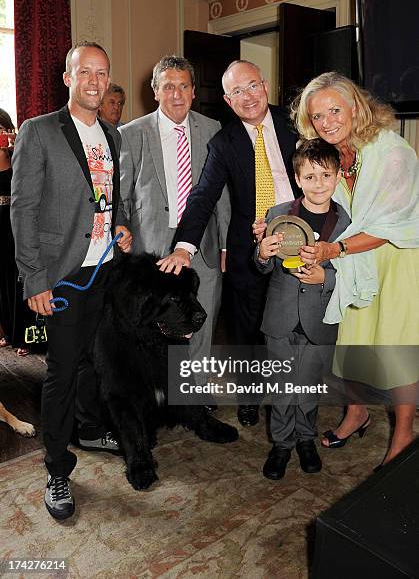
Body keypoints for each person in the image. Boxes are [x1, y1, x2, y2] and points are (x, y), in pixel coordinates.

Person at [11, 42, 132, 520]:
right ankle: (57, 468)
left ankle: (86, 428)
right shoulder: (38, 132)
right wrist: (34, 279)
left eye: (102, 73)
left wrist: (122, 227)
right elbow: (22, 211)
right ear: (68, 78)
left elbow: (110, 202)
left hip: (104, 269)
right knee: (61, 371)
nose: (95, 82)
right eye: (86, 72)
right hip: (61, 275)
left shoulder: (113, 136)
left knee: (93, 361)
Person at [158, 60, 300, 427]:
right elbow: (203, 196)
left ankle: (298, 401)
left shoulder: (296, 122)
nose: (248, 97)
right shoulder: (223, 143)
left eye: (252, 86)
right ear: (227, 99)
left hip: (301, 240)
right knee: (247, 330)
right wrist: (184, 247)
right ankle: (250, 397)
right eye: (237, 91)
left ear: (265, 86)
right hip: (248, 251)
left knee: (297, 328)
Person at [291, 71, 419, 468]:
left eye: (334, 110)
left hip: (397, 258)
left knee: (396, 350)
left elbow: (391, 226)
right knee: (352, 343)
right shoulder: (329, 154)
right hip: (351, 260)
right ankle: (357, 411)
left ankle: (404, 432)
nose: (327, 121)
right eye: (317, 116)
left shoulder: (393, 151)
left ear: (355, 108)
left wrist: (335, 249)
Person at [119, 55, 230, 398]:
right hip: (152, 246)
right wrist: (122, 228)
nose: (177, 94)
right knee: (155, 320)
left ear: (194, 91)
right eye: (169, 87)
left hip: (204, 244)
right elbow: (120, 197)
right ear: (155, 91)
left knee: (203, 316)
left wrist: (225, 244)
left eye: (184, 86)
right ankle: (159, 389)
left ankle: (195, 390)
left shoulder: (213, 130)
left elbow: (223, 195)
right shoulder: (131, 134)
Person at [255, 139, 350, 479]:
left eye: (326, 175)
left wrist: (325, 278)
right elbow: (262, 267)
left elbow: (355, 272)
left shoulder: (348, 224)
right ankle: (281, 444)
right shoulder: (278, 214)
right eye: (310, 177)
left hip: (319, 319)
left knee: (309, 386)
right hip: (280, 318)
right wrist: (263, 253)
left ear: (337, 176)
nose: (319, 183)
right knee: (282, 387)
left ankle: (306, 439)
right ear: (298, 178)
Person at [0, 109, 32, 356]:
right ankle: (9, 334)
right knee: (2, 280)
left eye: (1, 129)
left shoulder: (19, 154)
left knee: (18, 278)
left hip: (16, 223)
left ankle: (25, 337)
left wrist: (14, 149)